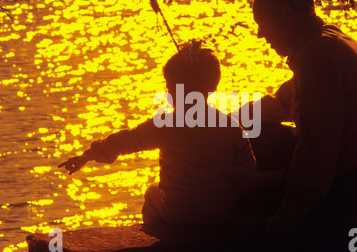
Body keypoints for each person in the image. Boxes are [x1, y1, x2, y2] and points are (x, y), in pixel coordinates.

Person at [239, 0, 357, 250]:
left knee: (238, 198)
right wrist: (229, 120)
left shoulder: (318, 57)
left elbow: (318, 146)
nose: (259, 34)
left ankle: (335, 223)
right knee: (250, 132)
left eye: (262, 23)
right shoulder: (324, 40)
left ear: (285, 13)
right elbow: (282, 103)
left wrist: (290, 214)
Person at [58, 40, 256, 226]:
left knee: (152, 192)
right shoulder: (230, 124)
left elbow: (127, 140)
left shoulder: (166, 123)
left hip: (178, 213)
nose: (168, 93)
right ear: (213, 87)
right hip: (220, 211)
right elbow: (247, 169)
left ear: (175, 90)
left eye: (169, 88)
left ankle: (155, 239)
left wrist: (88, 155)